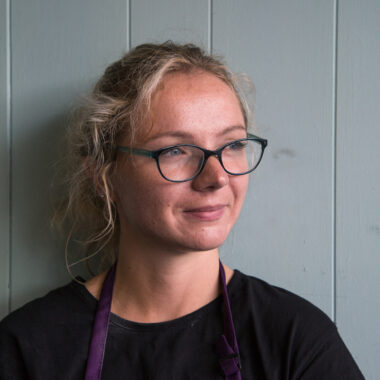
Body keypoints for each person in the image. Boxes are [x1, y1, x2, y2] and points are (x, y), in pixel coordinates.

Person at [0, 42, 363, 379]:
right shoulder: (27, 347)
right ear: (102, 175)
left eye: (233, 144)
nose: (217, 177)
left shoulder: (295, 338)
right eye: (174, 151)